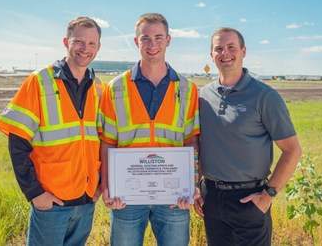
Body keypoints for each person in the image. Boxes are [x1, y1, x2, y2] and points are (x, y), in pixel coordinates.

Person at [0, 16, 104, 245]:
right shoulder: (39, 81)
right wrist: (35, 193)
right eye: (79, 42)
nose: (85, 49)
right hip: (52, 202)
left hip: (85, 202)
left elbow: (102, 142)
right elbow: (17, 142)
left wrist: (100, 185)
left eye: (92, 43)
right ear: (66, 42)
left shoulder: (98, 88)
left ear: (98, 47)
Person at [98, 13, 200, 246]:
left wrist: (192, 184)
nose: (152, 45)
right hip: (126, 196)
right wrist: (106, 186)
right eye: (145, 39)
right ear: (136, 42)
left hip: (174, 196)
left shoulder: (187, 89)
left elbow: (192, 141)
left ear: (168, 40)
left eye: (158, 38)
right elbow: (107, 142)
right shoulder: (116, 88)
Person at [194, 27, 303, 246]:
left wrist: (268, 194)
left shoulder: (265, 96)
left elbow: (292, 150)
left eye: (231, 47)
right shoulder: (203, 96)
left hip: (249, 199)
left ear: (243, 51)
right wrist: (195, 185)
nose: (225, 53)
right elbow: (196, 142)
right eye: (219, 49)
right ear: (211, 56)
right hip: (211, 198)